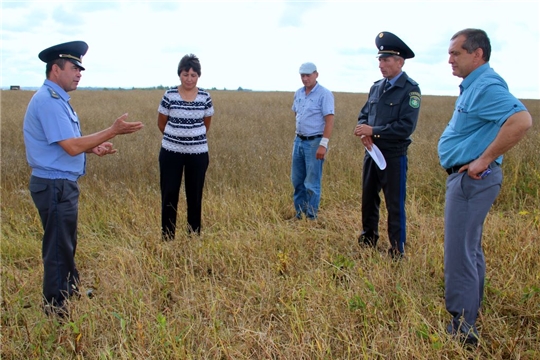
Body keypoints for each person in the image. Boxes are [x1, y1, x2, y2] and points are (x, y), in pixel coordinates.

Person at [23, 41, 144, 317]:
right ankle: (55, 307)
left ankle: (70, 289)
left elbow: (67, 142)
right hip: (54, 184)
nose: (79, 73)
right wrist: (112, 131)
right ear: (56, 69)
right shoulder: (49, 102)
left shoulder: (56, 100)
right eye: (74, 67)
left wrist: (94, 147)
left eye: (80, 68)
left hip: (59, 183)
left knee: (65, 241)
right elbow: (71, 146)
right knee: (57, 246)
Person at [438, 28, 532, 345]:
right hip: (470, 179)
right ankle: (471, 312)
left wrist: (483, 159)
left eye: (456, 52)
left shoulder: (487, 86)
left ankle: (463, 329)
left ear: (478, 54)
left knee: (459, 253)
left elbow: (522, 120)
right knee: (469, 248)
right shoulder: (474, 87)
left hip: (473, 179)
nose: (449, 59)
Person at [354, 32, 421, 259]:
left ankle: (397, 249)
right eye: (380, 60)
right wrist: (363, 130)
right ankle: (368, 238)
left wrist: (374, 131)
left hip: (393, 155)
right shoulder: (376, 88)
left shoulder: (410, 89)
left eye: (386, 60)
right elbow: (364, 115)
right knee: (368, 197)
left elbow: (405, 126)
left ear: (400, 62)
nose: (381, 65)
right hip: (372, 152)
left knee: (394, 203)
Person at [157, 54, 214, 240]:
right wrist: (177, 139)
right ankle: (167, 239)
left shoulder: (205, 96)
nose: (189, 78)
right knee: (169, 195)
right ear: (179, 74)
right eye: (185, 74)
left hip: (197, 155)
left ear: (198, 76)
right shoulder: (169, 95)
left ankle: (193, 238)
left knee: (194, 196)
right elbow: (161, 124)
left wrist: (191, 139)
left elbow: (206, 125)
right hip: (170, 154)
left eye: (193, 75)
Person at [291, 62, 335, 220]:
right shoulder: (299, 93)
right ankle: (299, 215)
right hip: (299, 140)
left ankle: (311, 217)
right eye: (302, 75)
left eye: (308, 75)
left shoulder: (324, 94)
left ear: (316, 74)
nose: (305, 78)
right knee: (297, 181)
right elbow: (296, 114)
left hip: (315, 142)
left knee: (311, 182)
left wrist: (323, 144)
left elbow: (329, 121)